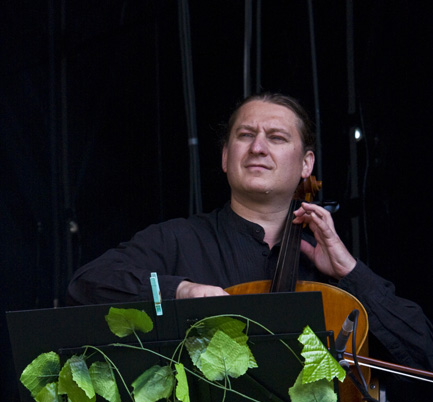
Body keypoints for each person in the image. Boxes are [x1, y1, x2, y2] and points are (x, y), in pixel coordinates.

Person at [67, 92, 433, 372]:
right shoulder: (177, 239)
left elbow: (422, 354)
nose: (258, 148)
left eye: (276, 137)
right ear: (226, 157)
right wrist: (179, 290)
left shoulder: (332, 271)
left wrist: (349, 271)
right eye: (245, 135)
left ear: (306, 164)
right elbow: (86, 284)